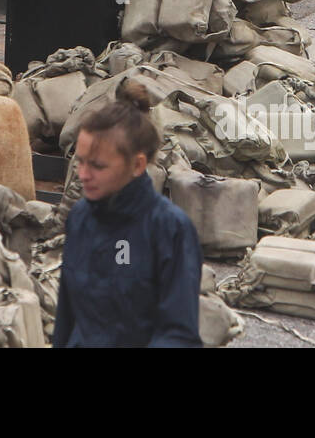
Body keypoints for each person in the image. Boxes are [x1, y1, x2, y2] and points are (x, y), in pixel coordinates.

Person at [53, 80, 203, 347]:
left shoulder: (170, 229)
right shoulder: (80, 218)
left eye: (97, 166)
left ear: (137, 165)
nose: (82, 175)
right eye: (80, 161)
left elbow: (179, 334)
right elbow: (66, 319)